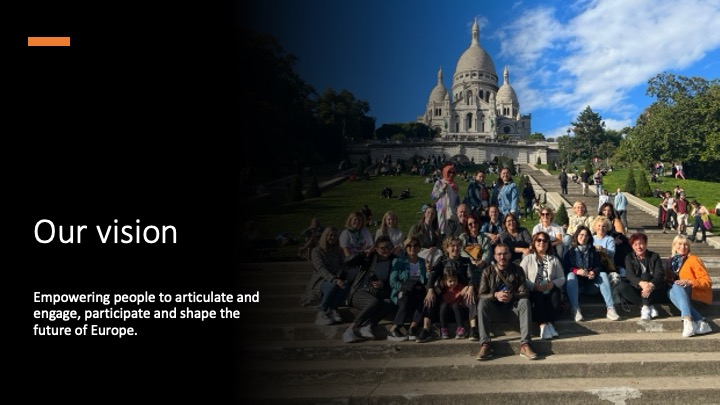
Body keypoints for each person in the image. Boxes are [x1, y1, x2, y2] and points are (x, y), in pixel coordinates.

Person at [476, 243, 537, 360]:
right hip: (495, 310)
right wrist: (495, 295)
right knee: (482, 303)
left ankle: (525, 345)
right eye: (499, 254)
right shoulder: (487, 271)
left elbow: (525, 292)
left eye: (505, 254)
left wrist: (512, 296)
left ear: (510, 255)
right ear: (494, 256)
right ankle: (485, 344)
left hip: (513, 309)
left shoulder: (518, 270)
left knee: (524, 302)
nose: (502, 257)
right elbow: (480, 295)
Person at [343, 236, 397, 343]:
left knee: (390, 302)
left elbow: (393, 280)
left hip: (377, 293)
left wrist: (383, 284)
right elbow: (347, 261)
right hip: (359, 292)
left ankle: (368, 326)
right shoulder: (369, 257)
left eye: (388, 247)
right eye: (382, 248)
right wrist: (363, 254)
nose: (386, 250)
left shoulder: (393, 260)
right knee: (373, 302)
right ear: (376, 248)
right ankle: (350, 329)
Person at [427, 236, 480, 342]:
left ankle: (473, 328)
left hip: (462, 293)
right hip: (447, 294)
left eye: (458, 245)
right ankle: (426, 328)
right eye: (452, 246)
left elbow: (471, 276)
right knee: (429, 297)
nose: (456, 248)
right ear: (446, 248)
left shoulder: (465, 261)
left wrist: (470, 287)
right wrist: (430, 289)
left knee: (471, 295)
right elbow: (433, 276)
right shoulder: (442, 261)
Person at [520, 232, 565, 339]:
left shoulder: (554, 259)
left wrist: (553, 284)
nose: (542, 242)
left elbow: (562, 278)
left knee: (556, 293)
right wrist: (534, 286)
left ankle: (550, 323)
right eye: (539, 240)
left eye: (545, 241)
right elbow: (521, 277)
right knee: (538, 294)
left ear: (548, 244)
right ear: (534, 243)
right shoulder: (528, 259)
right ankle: (543, 325)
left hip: (549, 289)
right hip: (534, 290)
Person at [300, 227, 348, 326]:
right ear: (325, 236)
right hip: (320, 280)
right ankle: (321, 313)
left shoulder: (338, 251)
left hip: (335, 278)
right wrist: (334, 279)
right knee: (332, 286)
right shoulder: (316, 251)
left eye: (335, 236)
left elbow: (342, 266)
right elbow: (321, 269)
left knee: (345, 284)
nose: (333, 238)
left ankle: (333, 310)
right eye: (330, 235)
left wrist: (339, 276)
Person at [666, 235, 713, 336]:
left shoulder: (693, 259)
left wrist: (689, 282)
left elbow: (707, 281)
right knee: (670, 291)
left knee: (677, 286)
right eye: (680, 244)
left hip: (697, 296)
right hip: (680, 296)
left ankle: (687, 320)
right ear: (674, 246)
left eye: (686, 244)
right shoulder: (671, 262)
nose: (683, 247)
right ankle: (700, 321)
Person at [387, 236, 431, 341]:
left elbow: (426, 281)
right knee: (408, 296)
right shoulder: (399, 261)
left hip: (418, 292)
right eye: (409, 245)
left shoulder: (423, 262)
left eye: (415, 245)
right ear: (405, 248)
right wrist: (405, 288)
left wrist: (428, 271)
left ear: (419, 247)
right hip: (402, 292)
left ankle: (413, 328)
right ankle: (394, 328)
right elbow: (393, 282)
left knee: (423, 297)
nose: (412, 248)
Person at [617, 233, 665, 320]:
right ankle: (647, 306)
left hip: (653, 288)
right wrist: (641, 283)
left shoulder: (654, 256)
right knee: (622, 287)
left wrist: (650, 285)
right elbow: (630, 275)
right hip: (637, 287)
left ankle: (645, 309)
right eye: (635, 244)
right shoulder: (629, 257)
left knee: (645, 276)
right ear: (632, 246)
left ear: (646, 244)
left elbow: (660, 274)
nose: (638, 247)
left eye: (641, 244)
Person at [438, 267, 469, 339]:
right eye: (450, 281)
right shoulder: (443, 289)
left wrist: (466, 288)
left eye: (455, 280)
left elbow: (468, 287)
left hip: (459, 313)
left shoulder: (460, 287)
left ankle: (461, 329)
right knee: (444, 305)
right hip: (447, 315)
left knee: (456, 305)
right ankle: (443, 329)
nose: (453, 283)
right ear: (445, 281)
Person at [431, 163, 460, 236]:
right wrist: (442, 189)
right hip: (441, 210)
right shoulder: (439, 183)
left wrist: (458, 208)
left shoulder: (455, 184)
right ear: (445, 172)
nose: (451, 174)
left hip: (452, 211)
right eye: (449, 172)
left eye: (453, 172)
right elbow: (433, 197)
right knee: (442, 231)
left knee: (452, 231)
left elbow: (457, 199)